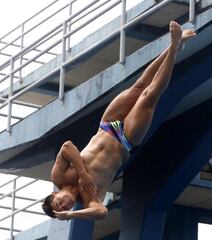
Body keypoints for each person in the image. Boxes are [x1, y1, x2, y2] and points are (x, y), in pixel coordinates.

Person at [42, 21, 196, 220]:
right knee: (149, 96)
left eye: (59, 202)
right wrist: (73, 215)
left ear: (55, 193)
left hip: (106, 126)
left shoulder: (59, 177)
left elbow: (66, 147)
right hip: (125, 140)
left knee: (140, 85)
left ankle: (173, 45)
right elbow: (101, 212)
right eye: (65, 209)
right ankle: (174, 47)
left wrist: (83, 173)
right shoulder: (89, 199)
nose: (65, 204)